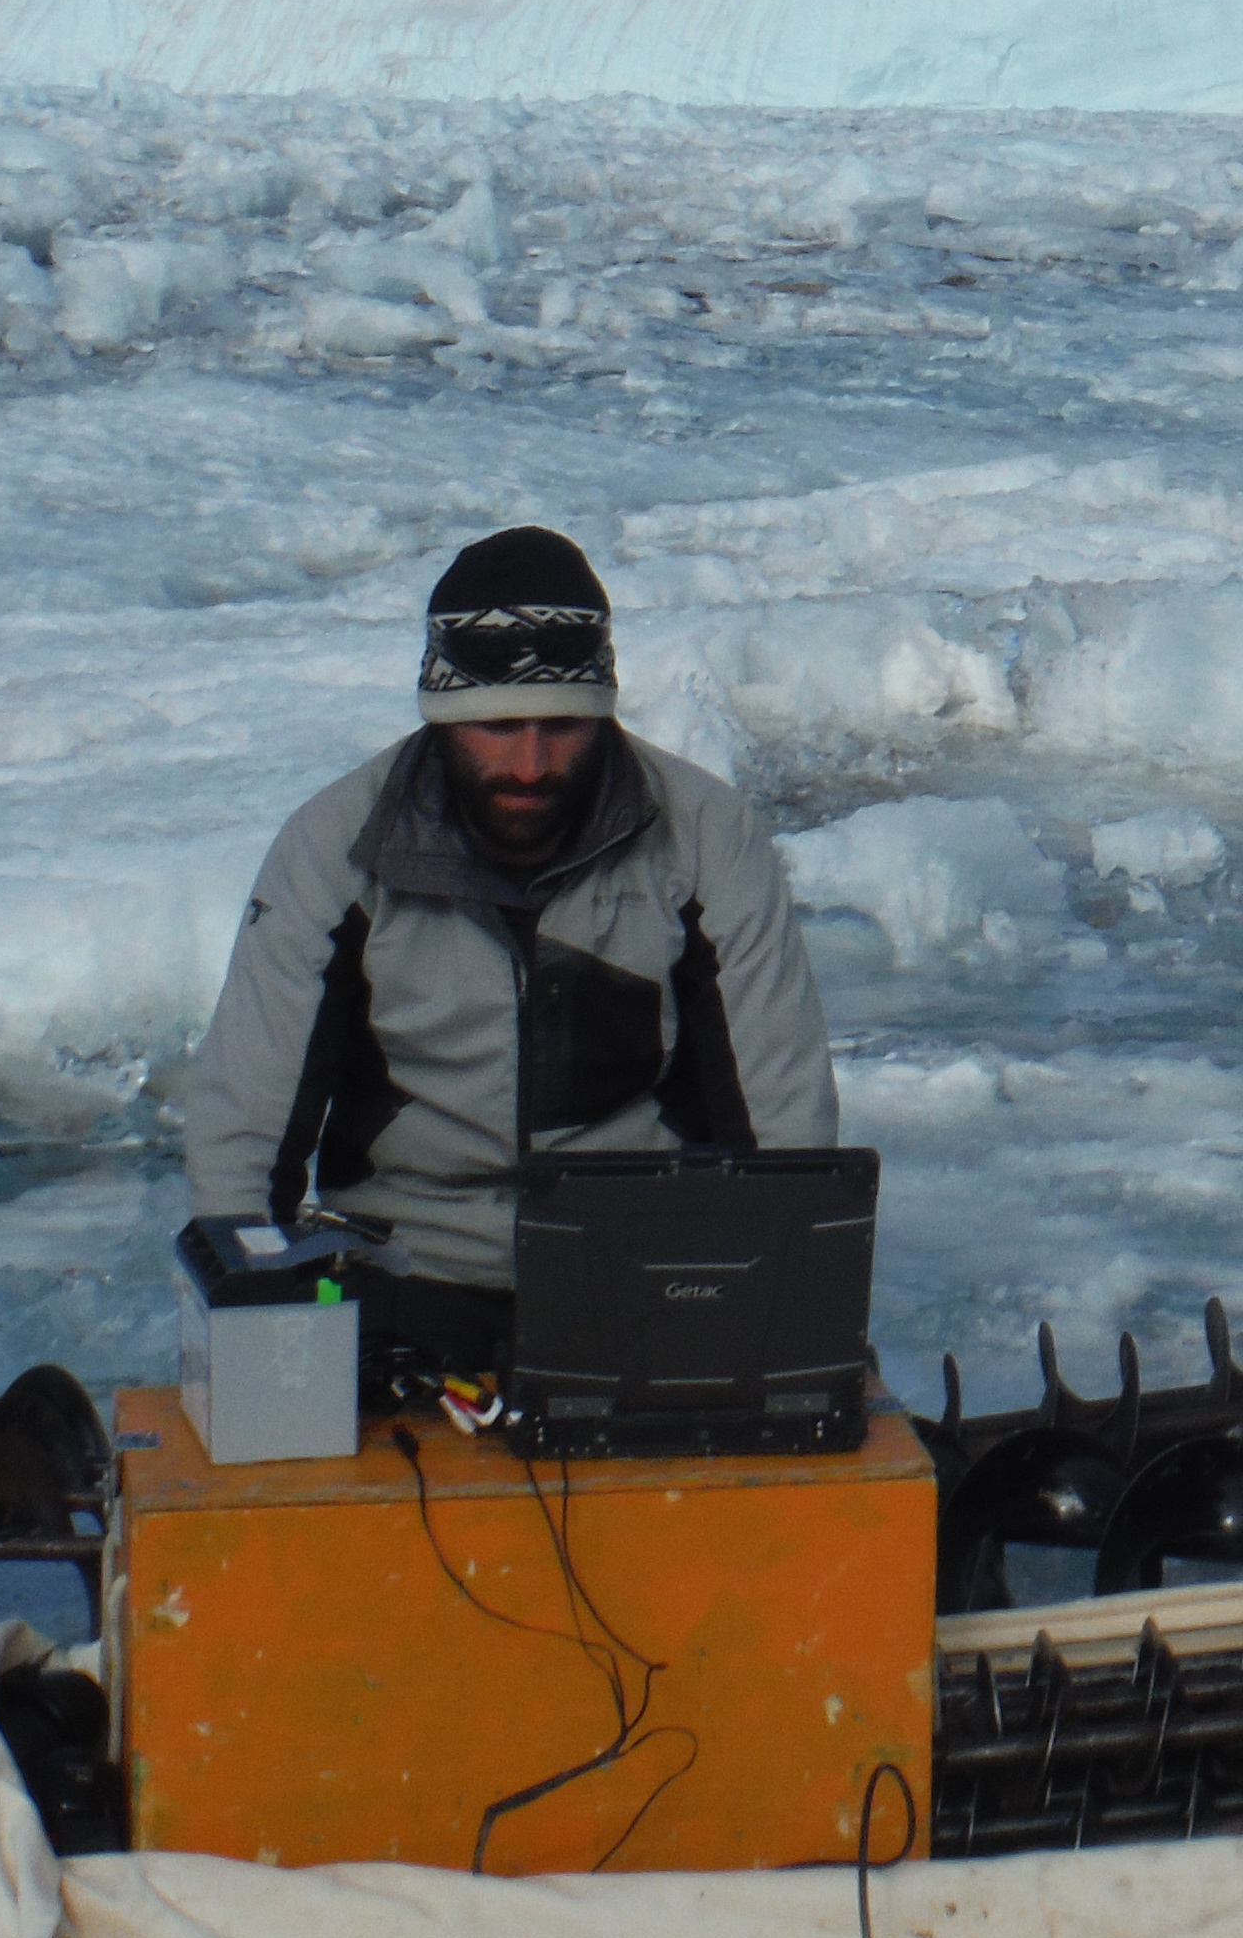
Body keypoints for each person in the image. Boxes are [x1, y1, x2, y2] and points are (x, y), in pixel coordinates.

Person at [174, 523, 836, 1370]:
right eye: (497, 725)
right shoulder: (334, 850)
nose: (530, 763)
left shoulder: (708, 839)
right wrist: (258, 1340)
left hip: (644, 1270)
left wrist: (782, 1324)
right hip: (404, 1273)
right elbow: (244, 1129)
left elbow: (784, 1124)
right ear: (442, 717)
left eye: (562, 724)